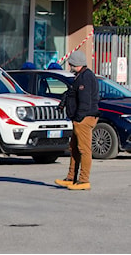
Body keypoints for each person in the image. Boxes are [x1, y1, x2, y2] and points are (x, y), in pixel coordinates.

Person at [55, 50, 99, 190]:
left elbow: (85, 101)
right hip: (78, 118)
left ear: (76, 64)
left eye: (71, 64)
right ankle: (71, 178)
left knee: (84, 149)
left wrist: (79, 118)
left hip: (84, 119)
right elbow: (71, 93)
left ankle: (83, 180)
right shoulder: (79, 76)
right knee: (74, 148)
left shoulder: (86, 77)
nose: (69, 66)